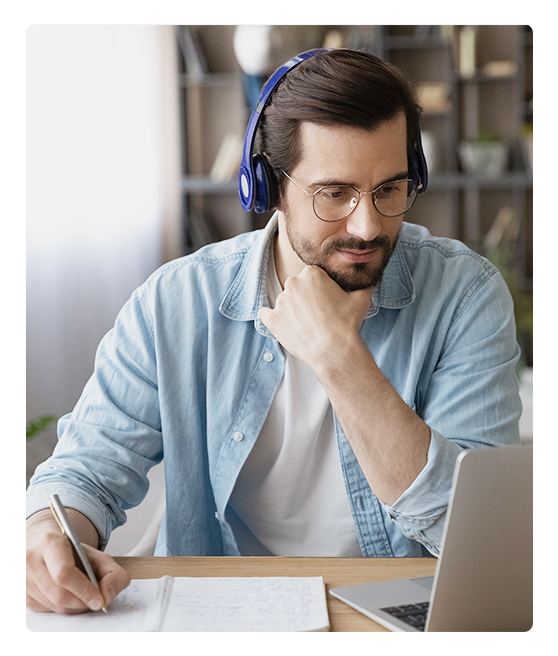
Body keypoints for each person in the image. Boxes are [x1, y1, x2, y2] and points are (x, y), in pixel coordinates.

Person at [26, 48, 522, 615]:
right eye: (333, 193)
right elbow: (89, 466)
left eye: (390, 189)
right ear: (267, 187)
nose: (367, 225)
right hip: (218, 609)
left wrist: (338, 355)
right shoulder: (176, 301)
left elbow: (474, 533)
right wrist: (46, 531)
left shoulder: (464, 295)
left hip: (400, 614)